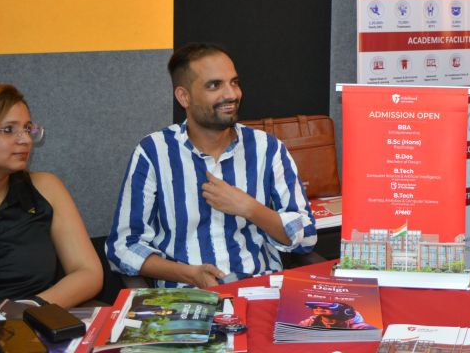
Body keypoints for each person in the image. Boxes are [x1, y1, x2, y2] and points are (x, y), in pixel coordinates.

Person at [106, 43, 317, 288]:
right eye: (214, 85)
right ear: (184, 97)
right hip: (185, 297)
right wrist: (189, 274)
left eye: (234, 82)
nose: (232, 94)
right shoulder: (154, 152)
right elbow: (123, 247)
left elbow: (306, 237)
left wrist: (250, 208)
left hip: (259, 290)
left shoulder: (267, 148)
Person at [0, 84, 102, 307]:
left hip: (36, 319)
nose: (25, 140)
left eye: (27, 128)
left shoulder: (45, 187)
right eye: (8, 129)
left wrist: (27, 309)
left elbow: (88, 272)